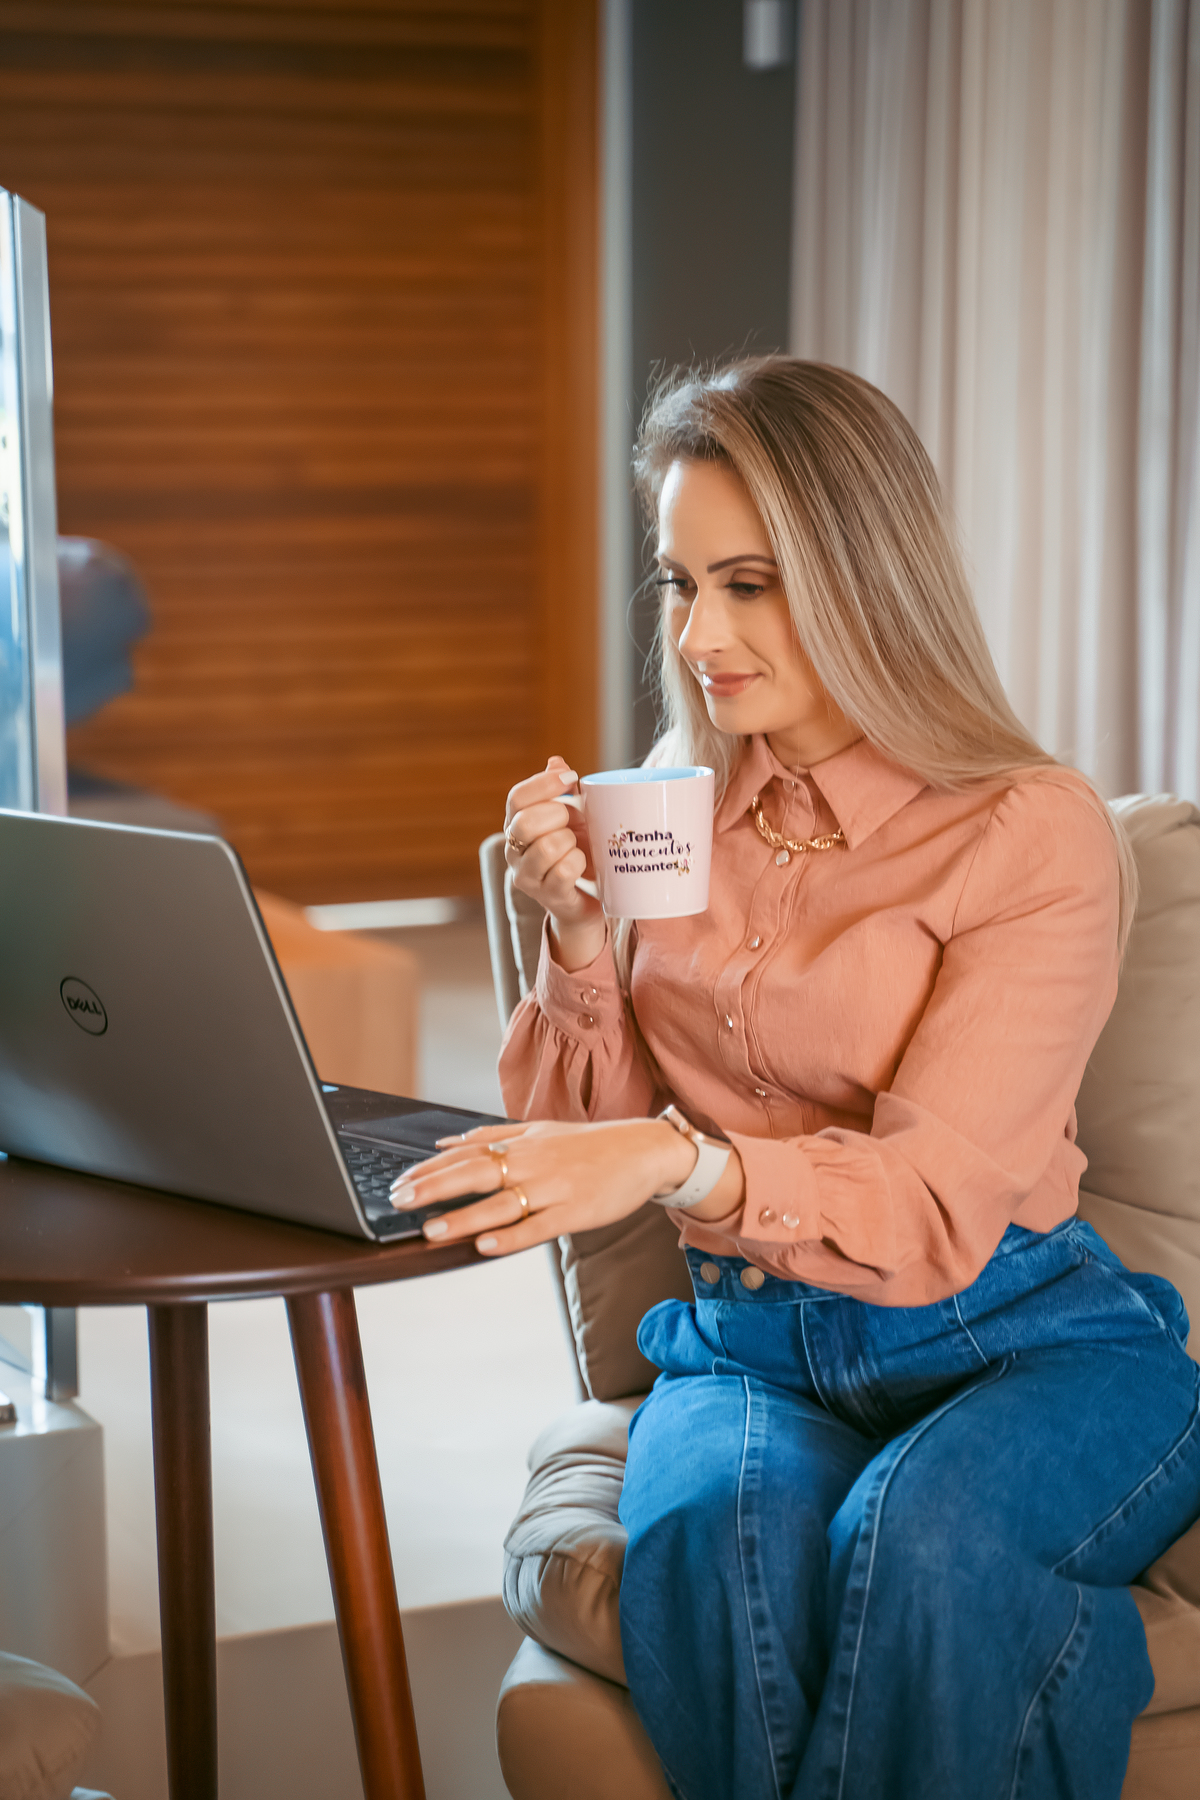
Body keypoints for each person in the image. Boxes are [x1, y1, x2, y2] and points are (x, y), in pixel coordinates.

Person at [390, 359, 1200, 1800]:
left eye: (748, 585)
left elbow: (934, 1200)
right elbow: (583, 1169)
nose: (698, 635)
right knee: (709, 1542)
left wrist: (685, 1160)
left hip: (1023, 1335)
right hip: (751, 1339)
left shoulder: (1028, 831)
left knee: (923, 1541)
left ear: (865, 576)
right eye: (679, 583)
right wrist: (577, 942)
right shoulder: (674, 812)